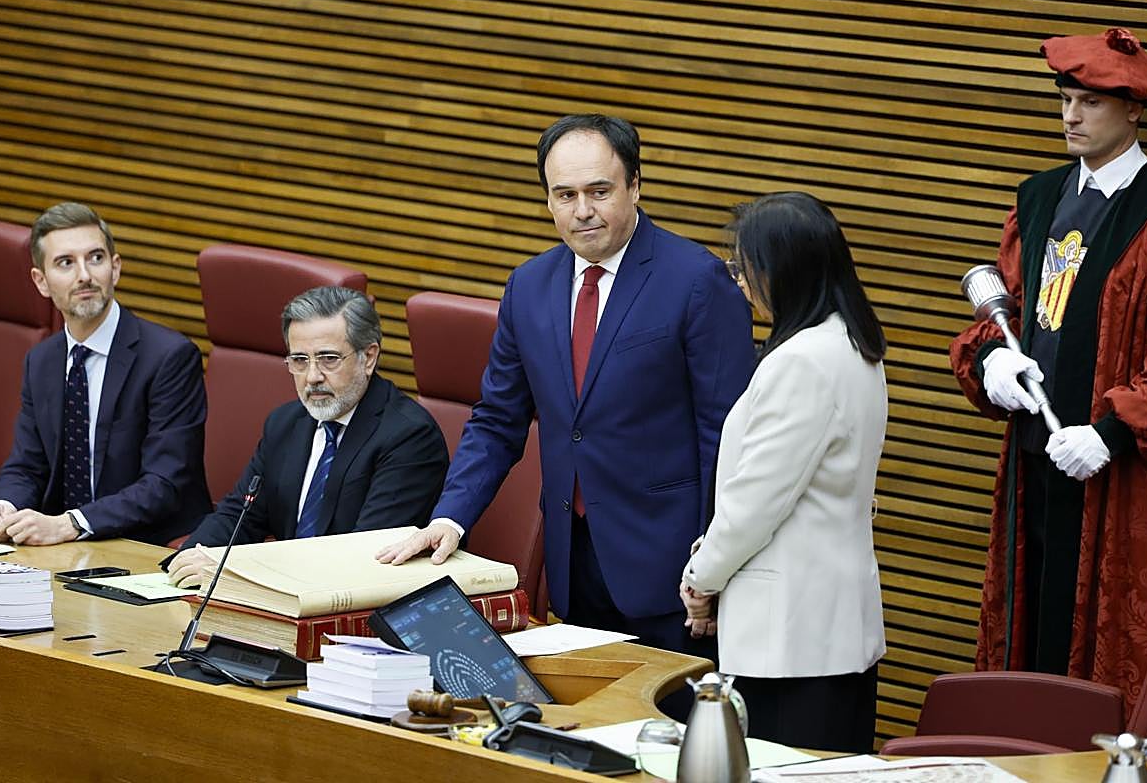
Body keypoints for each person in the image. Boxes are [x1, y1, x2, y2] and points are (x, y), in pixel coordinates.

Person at [376, 114, 755, 656]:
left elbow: (726, 434)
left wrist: (713, 563)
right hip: (574, 565)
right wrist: (451, 517)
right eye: (565, 195)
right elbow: (498, 419)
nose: (582, 210)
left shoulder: (697, 280)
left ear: (635, 186)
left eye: (599, 191)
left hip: (673, 571)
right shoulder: (529, 286)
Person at [950, 27, 1147, 709]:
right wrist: (993, 359)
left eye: (1090, 102)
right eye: (1065, 99)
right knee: (1026, 633)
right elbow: (1007, 306)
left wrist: (1111, 432)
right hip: (1031, 461)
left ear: (1133, 109)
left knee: (1091, 645)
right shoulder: (1039, 198)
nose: (1071, 116)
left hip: (1110, 475)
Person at [679, 192, 888, 751]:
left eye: (744, 267)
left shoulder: (801, 361)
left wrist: (701, 579)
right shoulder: (855, 345)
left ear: (783, 272)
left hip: (791, 641)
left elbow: (754, 505)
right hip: (832, 629)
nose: (740, 281)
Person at [166, 286, 449, 587]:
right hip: (286, 592)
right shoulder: (285, 423)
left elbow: (364, 554)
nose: (312, 377)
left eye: (328, 359)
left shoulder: (410, 437)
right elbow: (240, 514)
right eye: (300, 360)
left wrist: (235, 568)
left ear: (368, 357)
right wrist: (187, 562)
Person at [0, 202, 210, 546]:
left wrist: (71, 524)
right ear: (41, 281)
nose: (84, 275)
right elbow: (26, 466)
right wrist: (3, 507)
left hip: (146, 544)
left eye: (95, 258)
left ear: (115, 268)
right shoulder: (42, 360)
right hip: (62, 545)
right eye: (66, 263)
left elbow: (164, 483)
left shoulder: (169, 357)